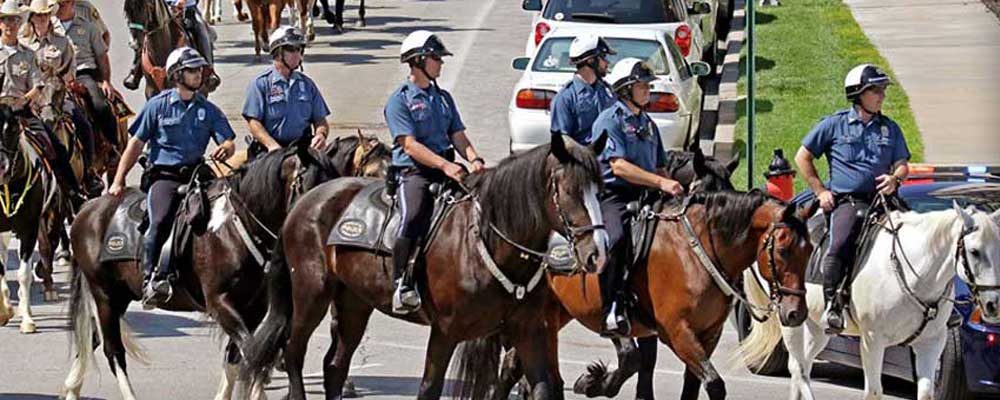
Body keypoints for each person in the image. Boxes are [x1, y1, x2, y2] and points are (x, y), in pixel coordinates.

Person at [108, 47, 236, 308]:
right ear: (177, 74)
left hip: (198, 177)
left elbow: (228, 139)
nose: (198, 74)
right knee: (161, 219)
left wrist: (227, 146)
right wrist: (119, 179)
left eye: (200, 69)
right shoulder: (158, 106)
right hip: (165, 177)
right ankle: (150, 278)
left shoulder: (208, 109)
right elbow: (134, 144)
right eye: (192, 70)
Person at [794, 64, 911, 334]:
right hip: (849, 202)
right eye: (875, 90)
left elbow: (902, 163)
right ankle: (832, 304)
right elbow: (803, 156)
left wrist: (895, 179)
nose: (882, 95)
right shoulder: (833, 125)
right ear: (858, 93)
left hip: (884, 201)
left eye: (882, 89)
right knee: (841, 242)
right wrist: (820, 191)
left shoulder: (890, 129)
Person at [385, 30, 485, 315]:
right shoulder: (399, 101)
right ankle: (401, 283)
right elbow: (410, 145)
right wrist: (444, 165)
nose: (441, 63)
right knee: (413, 215)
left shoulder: (443, 98)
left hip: (449, 169)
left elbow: (458, 134)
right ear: (418, 61)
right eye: (436, 58)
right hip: (415, 172)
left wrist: (473, 158)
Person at [590, 58, 684, 336]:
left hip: (647, 194)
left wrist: (670, 186)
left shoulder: (648, 123)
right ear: (625, 89)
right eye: (642, 86)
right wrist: (661, 182)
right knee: (616, 238)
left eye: (647, 86)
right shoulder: (610, 120)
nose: (648, 91)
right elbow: (618, 165)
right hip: (614, 195)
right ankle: (611, 307)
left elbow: (659, 165)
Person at [0, 0, 83, 201]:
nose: (10, 25)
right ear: (0, 24)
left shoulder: (28, 55)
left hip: (23, 112)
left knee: (52, 144)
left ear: (20, 23)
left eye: (14, 20)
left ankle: (72, 191)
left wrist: (23, 101)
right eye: (5, 20)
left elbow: (37, 85)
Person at [22, 0, 103, 196]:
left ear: (49, 17)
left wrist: (65, 81)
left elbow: (70, 70)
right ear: (31, 19)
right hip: (32, 99)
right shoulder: (23, 44)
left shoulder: (62, 42)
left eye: (44, 15)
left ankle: (90, 172)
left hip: (57, 94)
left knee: (82, 123)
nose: (41, 19)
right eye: (37, 16)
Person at [242, 25, 329, 158]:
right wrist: (272, 146)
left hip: (301, 150)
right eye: (291, 49)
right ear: (278, 52)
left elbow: (320, 120)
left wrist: (320, 135)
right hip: (269, 151)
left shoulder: (307, 85)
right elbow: (253, 122)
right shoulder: (261, 84)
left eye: (299, 49)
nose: (297, 54)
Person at [56, 0, 118, 151]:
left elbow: (102, 56)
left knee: (100, 106)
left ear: (71, 3)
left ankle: (112, 146)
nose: (58, 8)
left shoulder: (88, 26)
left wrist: (105, 81)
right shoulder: (49, 27)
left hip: (83, 74)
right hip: (56, 78)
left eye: (62, 4)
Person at [124, 0, 213, 90]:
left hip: (186, 8)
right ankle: (135, 70)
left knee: (201, 31)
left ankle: (208, 71)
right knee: (143, 31)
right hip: (160, 6)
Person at [549, 34, 616, 145]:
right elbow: (562, 141)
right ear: (590, 60)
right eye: (603, 57)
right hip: (583, 159)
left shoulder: (609, 92)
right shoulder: (564, 98)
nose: (607, 62)